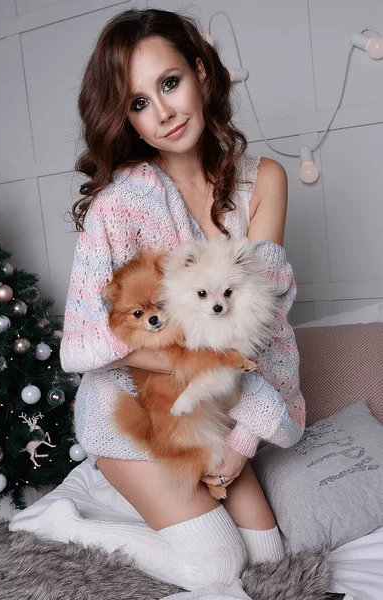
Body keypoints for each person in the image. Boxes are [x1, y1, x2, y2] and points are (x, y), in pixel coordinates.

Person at [60, 8, 305, 599]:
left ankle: (138, 502)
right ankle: (68, 531)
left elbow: (265, 325)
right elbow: (86, 343)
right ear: (129, 122)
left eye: (169, 84)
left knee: (271, 560)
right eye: (139, 103)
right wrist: (194, 367)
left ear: (200, 72)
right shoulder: (121, 207)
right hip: (132, 408)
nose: (163, 112)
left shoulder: (263, 181)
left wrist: (243, 439)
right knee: (219, 566)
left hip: (216, 408)